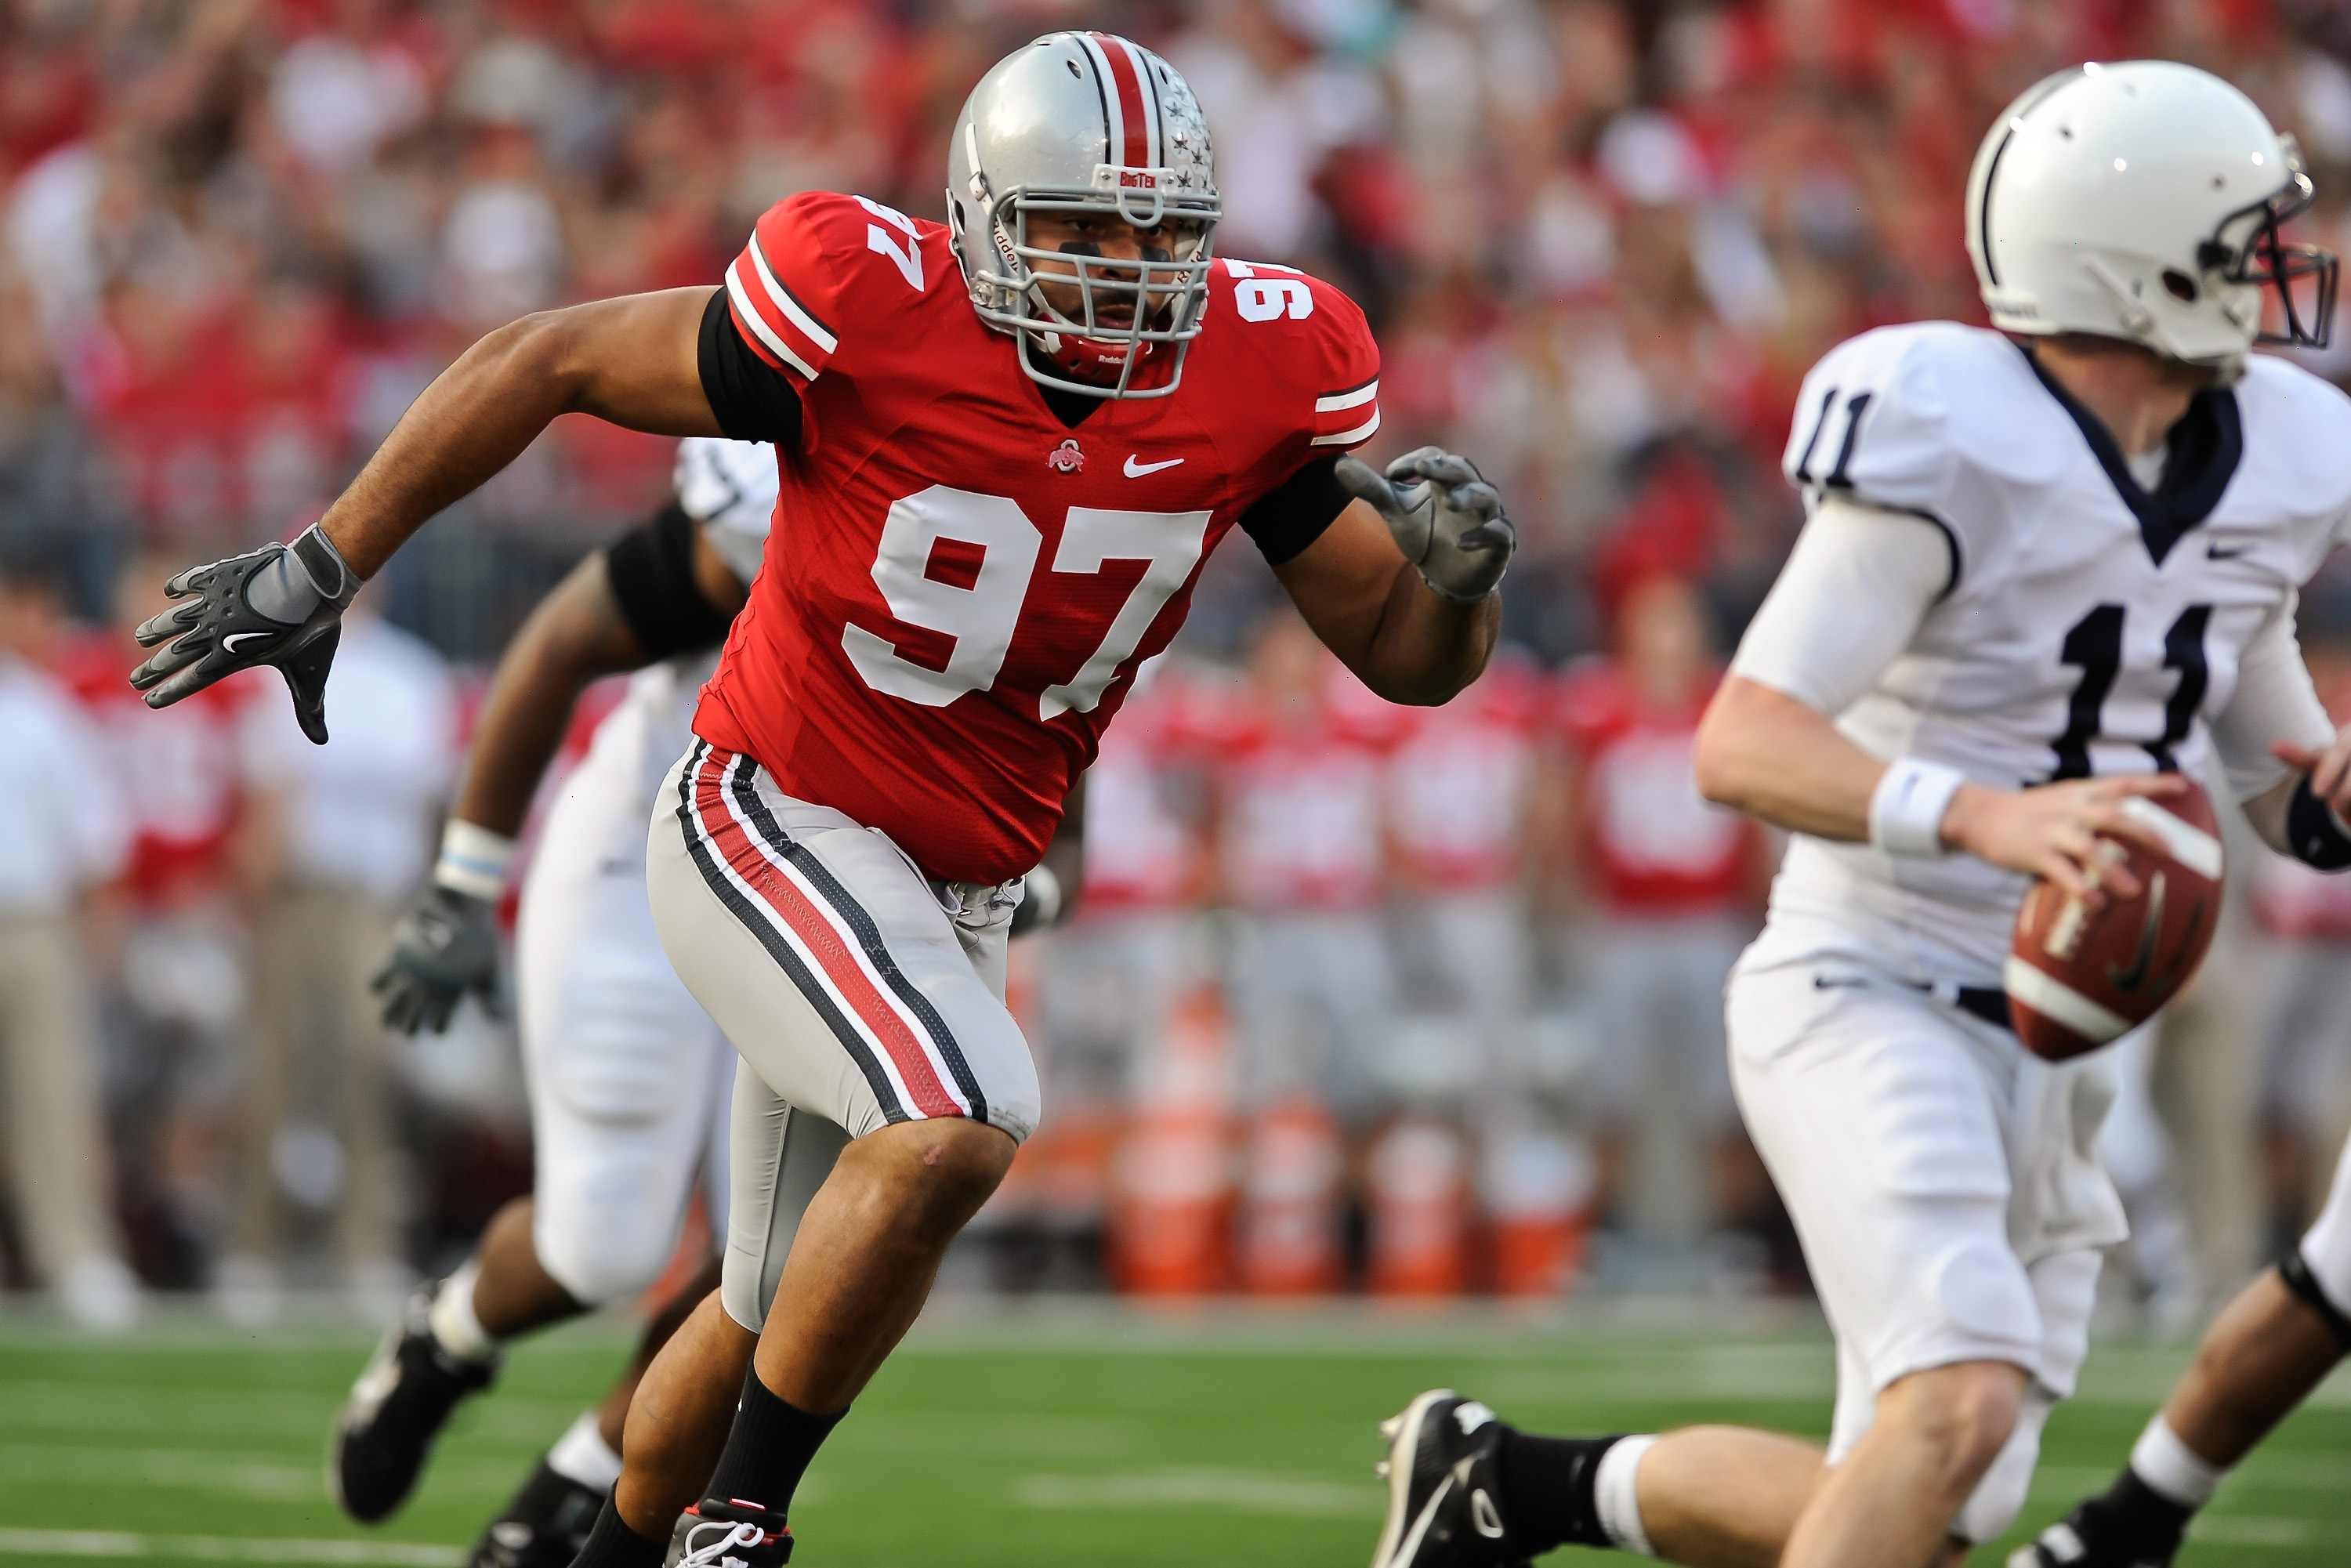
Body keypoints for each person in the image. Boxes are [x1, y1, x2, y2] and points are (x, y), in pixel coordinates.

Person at [127, 31, 1510, 1568]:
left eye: (1163, 233)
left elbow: (1407, 657)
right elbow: (552, 357)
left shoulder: (1262, 365)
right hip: (768, 807)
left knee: (753, 1309)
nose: (1128, 267)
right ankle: (739, 1523)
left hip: (948, 882)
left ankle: (608, 1542)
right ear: (985, 216)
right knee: (959, 1114)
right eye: (1083, 226)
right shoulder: (865, 302)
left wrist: (1460, 597)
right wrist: (326, 561)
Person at [1370, 60, 2351, 1568]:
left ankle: (1505, 1484)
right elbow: (1743, 741)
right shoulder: (1953, 430)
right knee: (1949, 1403)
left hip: (2062, 1037)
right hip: (1872, 983)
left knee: (1937, 1511)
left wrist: (2321, 787)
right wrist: (1985, 821)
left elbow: (2268, 757)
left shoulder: (2275, 452)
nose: (2280, 269)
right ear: (2135, 259)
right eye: (2241, 237)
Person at [327, 437, 806, 1567]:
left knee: (785, 1267)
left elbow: (1057, 760)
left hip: (822, 902)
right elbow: (556, 647)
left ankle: (578, 1485)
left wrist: (1032, 874)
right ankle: (446, 1338)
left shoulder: (1065, 519)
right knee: (604, 1241)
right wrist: (463, 884)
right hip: (647, 862)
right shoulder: (779, 501)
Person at [235, 583, 457, 1309]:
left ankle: (366, 1247)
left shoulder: (412, 674)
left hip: (374, 897)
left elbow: (430, 802)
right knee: (276, 1065)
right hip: (299, 891)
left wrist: (429, 903)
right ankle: (253, 1245)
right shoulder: (283, 656)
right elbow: (269, 794)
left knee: (367, 1066)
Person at [0, 556, 138, 1328]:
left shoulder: (50, 713)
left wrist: (99, 945)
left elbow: (96, 846)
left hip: (31, 923)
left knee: (51, 1096)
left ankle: (74, 1255)